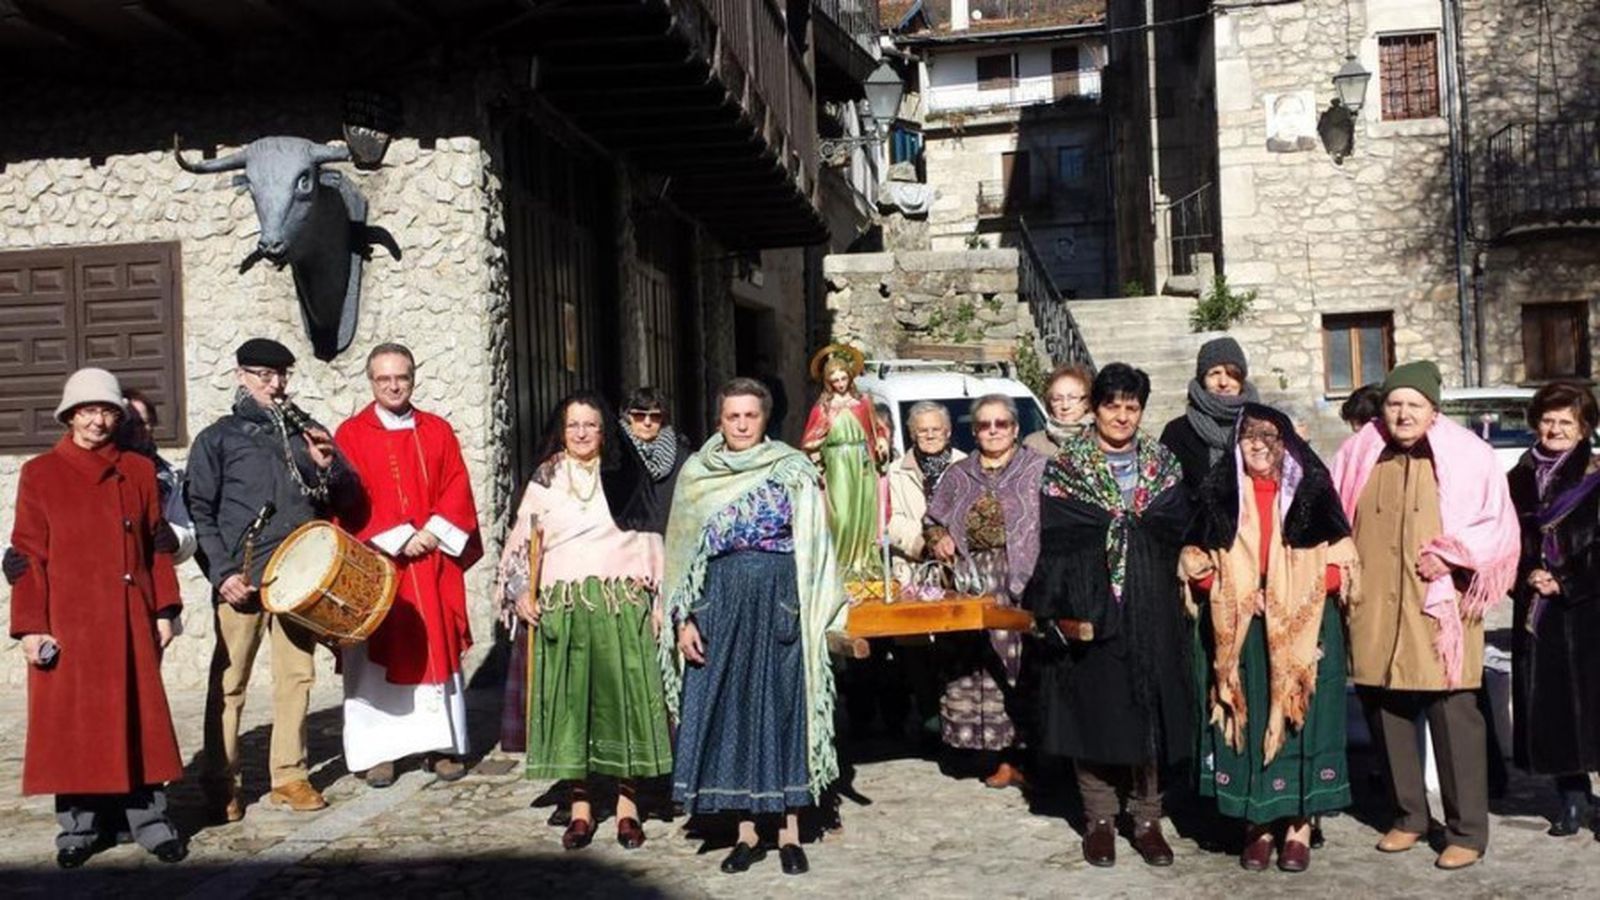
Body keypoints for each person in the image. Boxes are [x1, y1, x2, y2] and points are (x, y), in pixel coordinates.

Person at [1331, 360, 1519, 870]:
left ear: (1433, 410)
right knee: (1384, 709)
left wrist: (1456, 554)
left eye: (1414, 404)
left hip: (1441, 607)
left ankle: (1466, 830)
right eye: (1395, 403)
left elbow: (1498, 523)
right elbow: (1330, 509)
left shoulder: (1468, 455)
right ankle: (1409, 816)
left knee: (1453, 713)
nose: (1403, 413)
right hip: (1374, 604)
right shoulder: (1359, 452)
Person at [662, 377, 848, 876]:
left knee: (782, 706)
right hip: (719, 602)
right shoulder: (699, 473)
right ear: (719, 420)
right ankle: (745, 834)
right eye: (732, 416)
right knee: (735, 711)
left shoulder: (792, 469)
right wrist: (685, 619)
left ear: (765, 419)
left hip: (780, 599)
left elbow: (818, 543)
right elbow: (682, 558)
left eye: (751, 416)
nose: (741, 424)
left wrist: (815, 611)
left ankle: (788, 832)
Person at [8, 368, 187, 867]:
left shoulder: (138, 470)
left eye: (107, 410)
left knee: (141, 724)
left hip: (131, 617)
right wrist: (30, 626)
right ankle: (78, 828)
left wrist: (166, 609)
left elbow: (155, 544)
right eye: (87, 410)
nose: (97, 421)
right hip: (69, 621)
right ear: (69, 415)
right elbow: (27, 554)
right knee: (74, 727)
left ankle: (150, 822)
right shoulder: (40, 474)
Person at [1023, 362, 1192, 868]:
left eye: (1131, 406)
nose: (1122, 415)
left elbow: (1174, 527)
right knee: (1093, 712)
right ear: (1094, 409)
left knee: (1149, 713)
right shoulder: (1067, 466)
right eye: (1112, 405)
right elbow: (1059, 538)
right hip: (1089, 602)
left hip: (1153, 605)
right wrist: (1070, 602)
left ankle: (1146, 818)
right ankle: (1099, 819)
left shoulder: (1164, 464)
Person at [188, 337, 360, 822]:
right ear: (241, 375)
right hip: (240, 578)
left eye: (281, 375)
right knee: (230, 682)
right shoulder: (216, 438)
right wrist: (221, 574)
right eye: (263, 374)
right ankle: (220, 783)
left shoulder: (309, 434)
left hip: (297, 579)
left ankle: (290, 776)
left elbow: (346, 500)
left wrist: (330, 467)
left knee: (296, 678)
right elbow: (199, 509)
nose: (275, 384)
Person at [1180, 403, 1357, 872]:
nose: (1259, 445)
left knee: (1301, 722)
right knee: (1250, 720)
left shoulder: (1313, 494)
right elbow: (1194, 565)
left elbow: (1342, 566)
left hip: (1303, 629)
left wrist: (1287, 595)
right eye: (1249, 437)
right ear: (1236, 444)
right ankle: (1255, 825)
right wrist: (1234, 593)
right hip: (1240, 632)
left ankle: (1299, 824)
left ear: (1287, 444)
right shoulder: (1219, 496)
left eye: (1270, 437)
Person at [496, 391, 671, 851]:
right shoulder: (547, 475)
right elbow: (521, 539)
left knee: (625, 705)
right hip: (565, 605)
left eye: (590, 425)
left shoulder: (626, 473)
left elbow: (649, 534)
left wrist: (656, 602)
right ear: (561, 429)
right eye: (573, 425)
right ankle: (580, 809)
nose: (580, 433)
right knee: (572, 709)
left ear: (604, 430)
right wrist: (519, 593)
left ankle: (628, 808)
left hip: (619, 603)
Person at [333, 344, 483, 787]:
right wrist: (399, 537)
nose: (394, 386)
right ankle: (380, 751)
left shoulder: (436, 430)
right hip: (379, 567)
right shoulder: (352, 434)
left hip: (432, 562)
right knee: (376, 658)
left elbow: (457, 485)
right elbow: (348, 499)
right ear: (371, 382)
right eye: (384, 379)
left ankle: (439, 746)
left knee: (435, 648)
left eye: (401, 377)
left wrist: (433, 533)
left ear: (413, 378)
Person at [923, 395, 1046, 788]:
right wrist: (939, 537)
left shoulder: (1037, 469)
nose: (993, 431)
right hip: (970, 579)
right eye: (984, 425)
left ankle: (1022, 754)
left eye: (1002, 424)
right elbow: (933, 519)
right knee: (971, 667)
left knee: (1017, 665)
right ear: (974, 431)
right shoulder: (959, 474)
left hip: (1021, 580)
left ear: (1015, 428)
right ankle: (983, 753)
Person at [1507, 381, 1600, 839]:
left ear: (1584, 429)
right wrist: (1528, 574)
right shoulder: (1518, 477)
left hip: (1589, 608)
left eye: (1567, 421)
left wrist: (1566, 580)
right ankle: (1572, 800)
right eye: (1548, 419)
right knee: (1555, 709)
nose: (1556, 428)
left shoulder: (1595, 474)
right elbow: (1507, 540)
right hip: (1539, 611)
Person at [800, 344, 888, 583]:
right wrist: (815, 451)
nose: (840, 383)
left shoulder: (863, 403)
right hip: (837, 464)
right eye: (835, 380)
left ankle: (863, 563)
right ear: (827, 382)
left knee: (864, 513)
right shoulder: (823, 408)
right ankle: (842, 564)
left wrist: (881, 441)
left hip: (862, 461)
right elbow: (809, 439)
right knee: (842, 515)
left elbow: (878, 429)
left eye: (843, 378)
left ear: (850, 377)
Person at [1161, 337, 1259, 496]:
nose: (1223, 382)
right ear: (1202, 379)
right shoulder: (1178, 432)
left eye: (1231, 373)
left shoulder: (1263, 425)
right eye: (1214, 373)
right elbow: (1166, 495)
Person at [887, 401, 967, 584]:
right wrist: (927, 543)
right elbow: (889, 519)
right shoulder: (895, 472)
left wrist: (950, 543)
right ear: (913, 434)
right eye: (922, 431)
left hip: (959, 570)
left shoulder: (966, 465)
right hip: (913, 571)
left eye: (936, 429)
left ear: (947, 432)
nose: (930, 436)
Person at [117, 388, 197, 564]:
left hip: (152, 570)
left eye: (147, 423)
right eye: (134, 424)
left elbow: (187, 531)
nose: (143, 430)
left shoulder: (169, 475)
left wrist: (174, 538)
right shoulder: (106, 469)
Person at [611, 386, 691, 534]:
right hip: (627, 542)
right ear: (628, 417)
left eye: (655, 416)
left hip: (669, 539)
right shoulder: (615, 454)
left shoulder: (682, 455)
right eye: (639, 416)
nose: (647, 422)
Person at [1024, 363, 1094, 457]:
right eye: (1057, 399)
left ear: (1086, 402)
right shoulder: (1034, 444)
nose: (1065, 406)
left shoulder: (1099, 439)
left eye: (1072, 398)